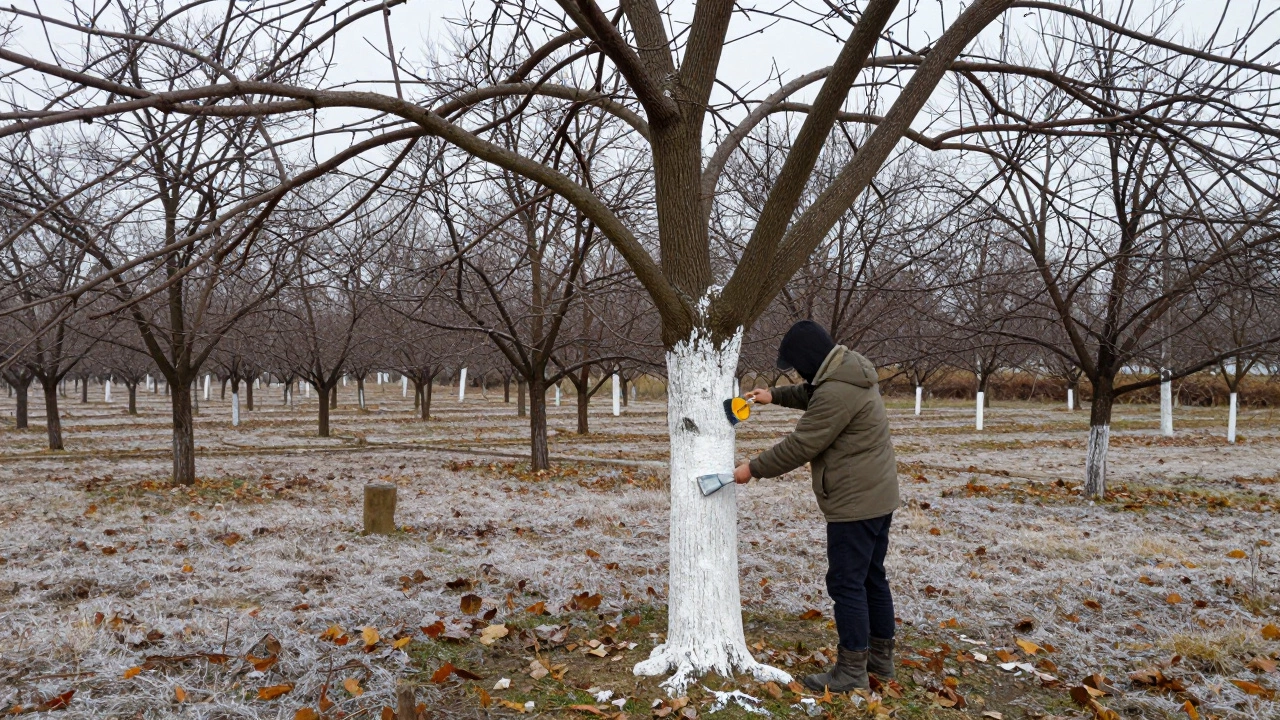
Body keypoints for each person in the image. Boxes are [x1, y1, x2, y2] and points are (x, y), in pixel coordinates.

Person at [732, 320, 900, 692]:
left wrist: (752, 469)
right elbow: (814, 394)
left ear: (808, 359)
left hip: (855, 500)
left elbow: (802, 445)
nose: (798, 373)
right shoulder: (847, 371)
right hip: (878, 494)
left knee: (847, 583)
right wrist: (774, 395)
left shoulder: (837, 392)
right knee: (872, 576)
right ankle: (881, 662)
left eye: (796, 365)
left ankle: (853, 671)